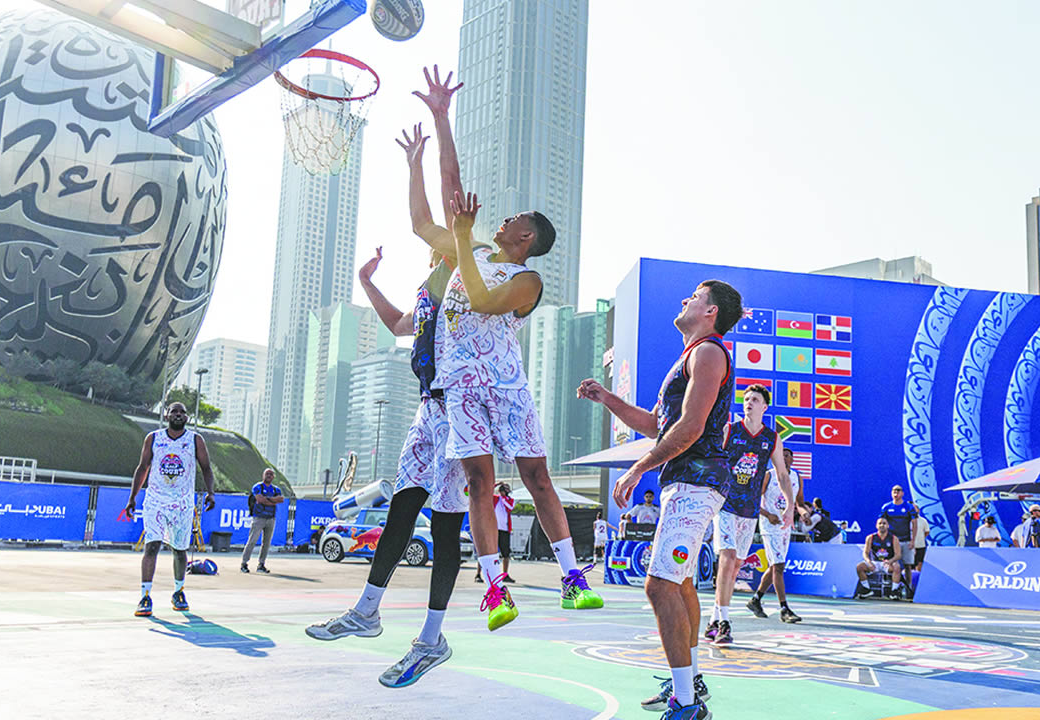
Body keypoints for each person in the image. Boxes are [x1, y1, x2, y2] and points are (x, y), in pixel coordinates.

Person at [305, 67, 469, 688]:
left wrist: (436, 132)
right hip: (430, 408)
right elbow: (402, 324)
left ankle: (431, 637)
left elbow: (442, 200)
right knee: (404, 503)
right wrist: (366, 283)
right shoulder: (433, 281)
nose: (432, 234)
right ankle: (368, 610)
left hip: (464, 409)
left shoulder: (467, 262)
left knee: (446, 525)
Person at [578, 279, 743, 719]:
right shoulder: (691, 356)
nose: (685, 299)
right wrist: (607, 397)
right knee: (680, 583)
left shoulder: (709, 353)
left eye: (695, 296)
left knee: (659, 585)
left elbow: (690, 427)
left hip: (696, 483)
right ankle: (689, 682)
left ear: (710, 311)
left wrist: (638, 468)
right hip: (686, 483)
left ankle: (686, 704)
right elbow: (657, 424)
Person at [440, 190, 602, 630]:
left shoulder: (527, 280)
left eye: (514, 218)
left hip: (506, 386)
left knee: (538, 478)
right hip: (461, 387)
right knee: (479, 483)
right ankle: (496, 589)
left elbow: (481, 301)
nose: (504, 219)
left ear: (525, 236)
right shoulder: (472, 250)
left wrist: (462, 238)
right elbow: (424, 222)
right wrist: (422, 156)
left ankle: (572, 580)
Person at [706, 384, 792, 644]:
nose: (749, 402)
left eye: (754, 399)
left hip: (750, 510)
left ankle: (713, 620)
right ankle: (724, 622)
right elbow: (711, 459)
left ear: (764, 406)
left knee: (735, 568)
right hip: (725, 504)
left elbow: (782, 474)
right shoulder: (730, 430)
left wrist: (790, 505)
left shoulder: (771, 438)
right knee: (727, 558)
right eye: (746, 399)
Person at [124, 401, 215, 616]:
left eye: (182, 412)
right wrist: (132, 497)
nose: (178, 414)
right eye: (174, 411)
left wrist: (211, 492)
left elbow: (206, 468)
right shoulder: (154, 438)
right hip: (156, 501)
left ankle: (178, 592)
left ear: (187, 418)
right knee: (152, 546)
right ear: (166, 416)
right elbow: (143, 467)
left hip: (182, 503)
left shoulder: (195, 440)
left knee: (180, 550)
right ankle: (145, 596)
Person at [747, 447, 804, 623]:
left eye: (787, 456)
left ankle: (755, 600)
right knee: (779, 566)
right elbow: (753, 499)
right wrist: (767, 515)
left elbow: (799, 502)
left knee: (774, 567)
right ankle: (784, 609)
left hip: (785, 526)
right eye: (781, 455)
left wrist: (804, 514)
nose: (784, 458)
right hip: (769, 525)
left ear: (792, 459)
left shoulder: (796, 477)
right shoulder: (769, 475)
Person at [240, 468, 283, 573]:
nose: (269, 476)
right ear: (263, 475)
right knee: (252, 541)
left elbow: (280, 499)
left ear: (273, 477)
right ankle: (244, 563)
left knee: (266, 543)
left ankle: (261, 564)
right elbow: (259, 499)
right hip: (259, 518)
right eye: (267, 473)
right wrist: (272, 501)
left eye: (271, 474)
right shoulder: (258, 487)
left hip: (271, 518)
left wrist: (267, 500)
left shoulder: (276, 489)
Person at [879, 485, 916, 595]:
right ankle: (894, 588)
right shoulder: (886, 507)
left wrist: (913, 540)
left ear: (902, 493)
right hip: (891, 542)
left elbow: (914, 524)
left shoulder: (909, 507)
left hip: (906, 540)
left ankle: (909, 588)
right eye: (894, 491)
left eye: (898, 491)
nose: (896, 493)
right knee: (893, 565)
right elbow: (881, 523)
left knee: (908, 565)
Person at [855, 518, 902, 598]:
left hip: (887, 563)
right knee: (859, 567)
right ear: (876, 526)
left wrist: (890, 561)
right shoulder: (870, 537)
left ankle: (894, 591)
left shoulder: (894, 538)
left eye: (884, 523)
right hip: (875, 562)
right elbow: (865, 553)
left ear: (888, 526)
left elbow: (898, 555)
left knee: (897, 567)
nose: (882, 525)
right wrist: (869, 562)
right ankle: (866, 589)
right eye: (880, 523)